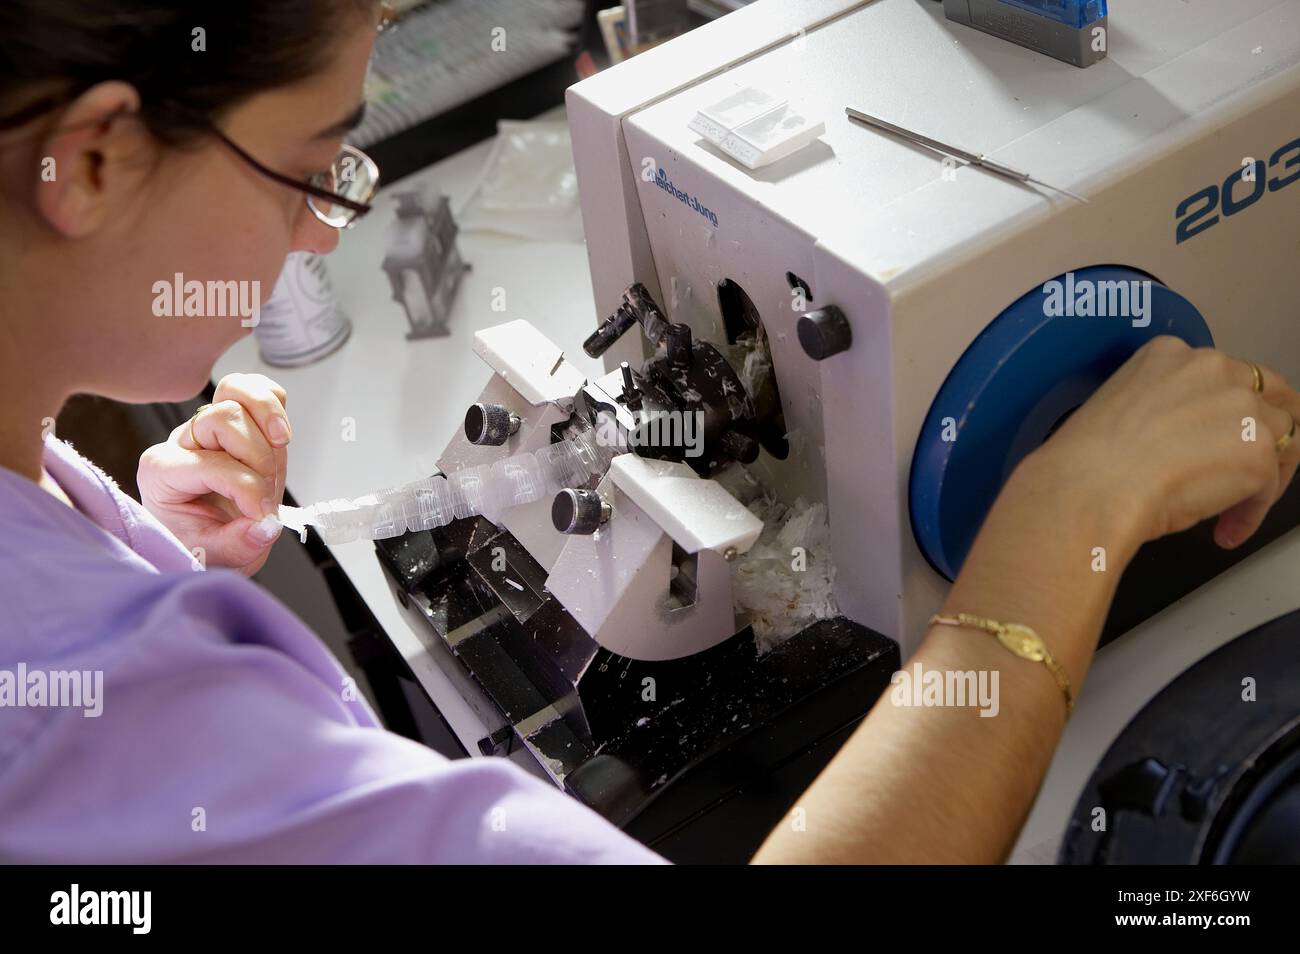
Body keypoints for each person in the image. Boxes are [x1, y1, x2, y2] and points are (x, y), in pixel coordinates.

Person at [0, 1, 1296, 865]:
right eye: (315, 165)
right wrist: (1064, 528)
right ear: (93, 162)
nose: (323, 231)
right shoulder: (85, 705)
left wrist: (145, 555)